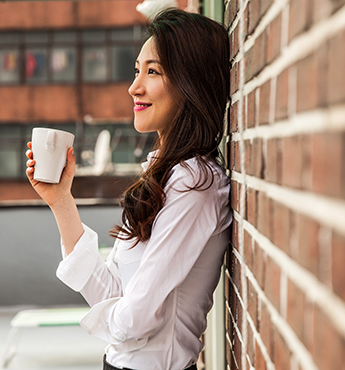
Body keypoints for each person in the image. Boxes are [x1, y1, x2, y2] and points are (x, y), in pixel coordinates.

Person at [26, 8, 232, 370]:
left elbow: (135, 320)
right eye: (137, 70)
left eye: (153, 71)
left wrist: (105, 322)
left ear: (190, 82)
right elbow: (113, 294)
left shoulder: (195, 184)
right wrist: (61, 200)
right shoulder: (168, 175)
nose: (134, 87)